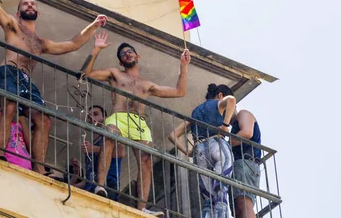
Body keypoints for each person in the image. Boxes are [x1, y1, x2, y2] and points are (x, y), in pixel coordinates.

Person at [0, 0, 108, 174]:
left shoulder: (41, 43)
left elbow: (72, 44)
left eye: (33, 4)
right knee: (9, 108)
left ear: (38, 12)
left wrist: (93, 26)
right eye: (25, 4)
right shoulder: (13, 25)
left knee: (43, 119)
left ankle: (40, 167)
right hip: (8, 71)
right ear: (19, 12)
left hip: (26, 80)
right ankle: (0, 154)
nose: (30, 5)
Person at [83, 31, 190, 216]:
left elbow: (179, 92)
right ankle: (100, 186)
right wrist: (96, 49)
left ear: (137, 56)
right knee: (109, 137)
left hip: (138, 122)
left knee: (146, 159)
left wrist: (183, 65)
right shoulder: (115, 73)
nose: (127, 54)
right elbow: (87, 73)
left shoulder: (146, 84)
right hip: (119, 116)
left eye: (130, 51)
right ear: (120, 61)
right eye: (123, 54)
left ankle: (142, 207)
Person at [168, 84, 236, 218]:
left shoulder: (195, 112)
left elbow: (172, 135)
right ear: (220, 95)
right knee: (221, 191)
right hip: (216, 144)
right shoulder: (218, 104)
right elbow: (231, 100)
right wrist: (225, 125)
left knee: (208, 199)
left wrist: (188, 152)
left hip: (199, 151)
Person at [78, 105, 125, 200]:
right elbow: (88, 177)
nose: (91, 118)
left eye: (95, 114)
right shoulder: (91, 144)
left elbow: (121, 152)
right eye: (89, 116)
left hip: (108, 184)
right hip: (90, 187)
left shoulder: (110, 134)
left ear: (105, 118)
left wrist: (94, 149)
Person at [231, 109, 262, 218]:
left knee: (244, 203)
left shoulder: (242, 114)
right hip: (243, 166)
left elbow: (247, 132)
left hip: (246, 164)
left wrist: (225, 144)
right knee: (239, 209)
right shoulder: (235, 124)